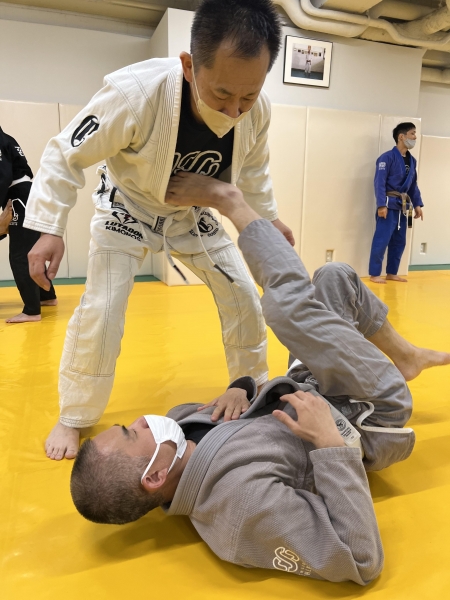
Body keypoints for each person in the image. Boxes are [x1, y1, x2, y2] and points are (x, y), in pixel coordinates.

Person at [70, 172, 450, 585]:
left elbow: (233, 409)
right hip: (367, 411)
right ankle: (231, 202)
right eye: (132, 433)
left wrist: (239, 388)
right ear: (155, 477)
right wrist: (329, 444)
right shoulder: (240, 509)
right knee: (288, 310)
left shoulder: (179, 431)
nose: (143, 420)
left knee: (334, 276)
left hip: (310, 383)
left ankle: (407, 357)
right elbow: (360, 559)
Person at [23, 0, 294, 460]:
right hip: (126, 208)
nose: (234, 110)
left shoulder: (257, 111)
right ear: (189, 66)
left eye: (247, 97)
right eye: (222, 93)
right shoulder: (135, 94)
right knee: (103, 307)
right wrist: (49, 227)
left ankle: (252, 388)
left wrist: (269, 218)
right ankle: (74, 414)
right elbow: (65, 153)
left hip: (192, 214)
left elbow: (254, 174)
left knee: (243, 295)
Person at [0, 127, 57, 323]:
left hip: (18, 196)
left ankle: (32, 311)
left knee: (20, 255)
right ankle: (47, 296)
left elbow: (3, 176)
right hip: (26, 193)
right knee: (31, 249)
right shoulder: (7, 138)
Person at [368, 122, 424, 284]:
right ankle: (374, 273)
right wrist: (381, 205)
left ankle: (392, 272)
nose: (415, 137)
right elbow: (379, 182)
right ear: (401, 136)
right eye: (412, 133)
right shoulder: (386, 158)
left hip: (403, 206)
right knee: (382, 239)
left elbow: (413, 185)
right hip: (388, 204)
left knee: (399, 241)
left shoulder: (412, 161)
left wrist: (417, 204)